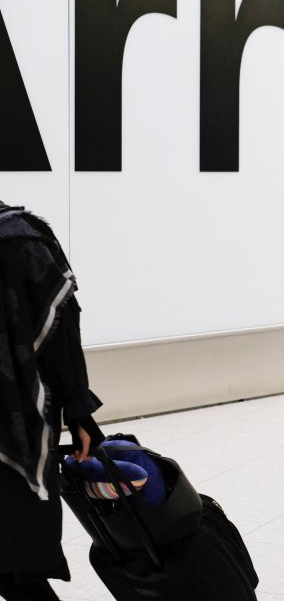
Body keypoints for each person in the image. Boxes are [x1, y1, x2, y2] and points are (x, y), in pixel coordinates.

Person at [0, 202, 103, 601]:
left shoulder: (19, 237)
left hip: (16, 421)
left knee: (14, 561)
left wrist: (79, 411)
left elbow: (61, 330)